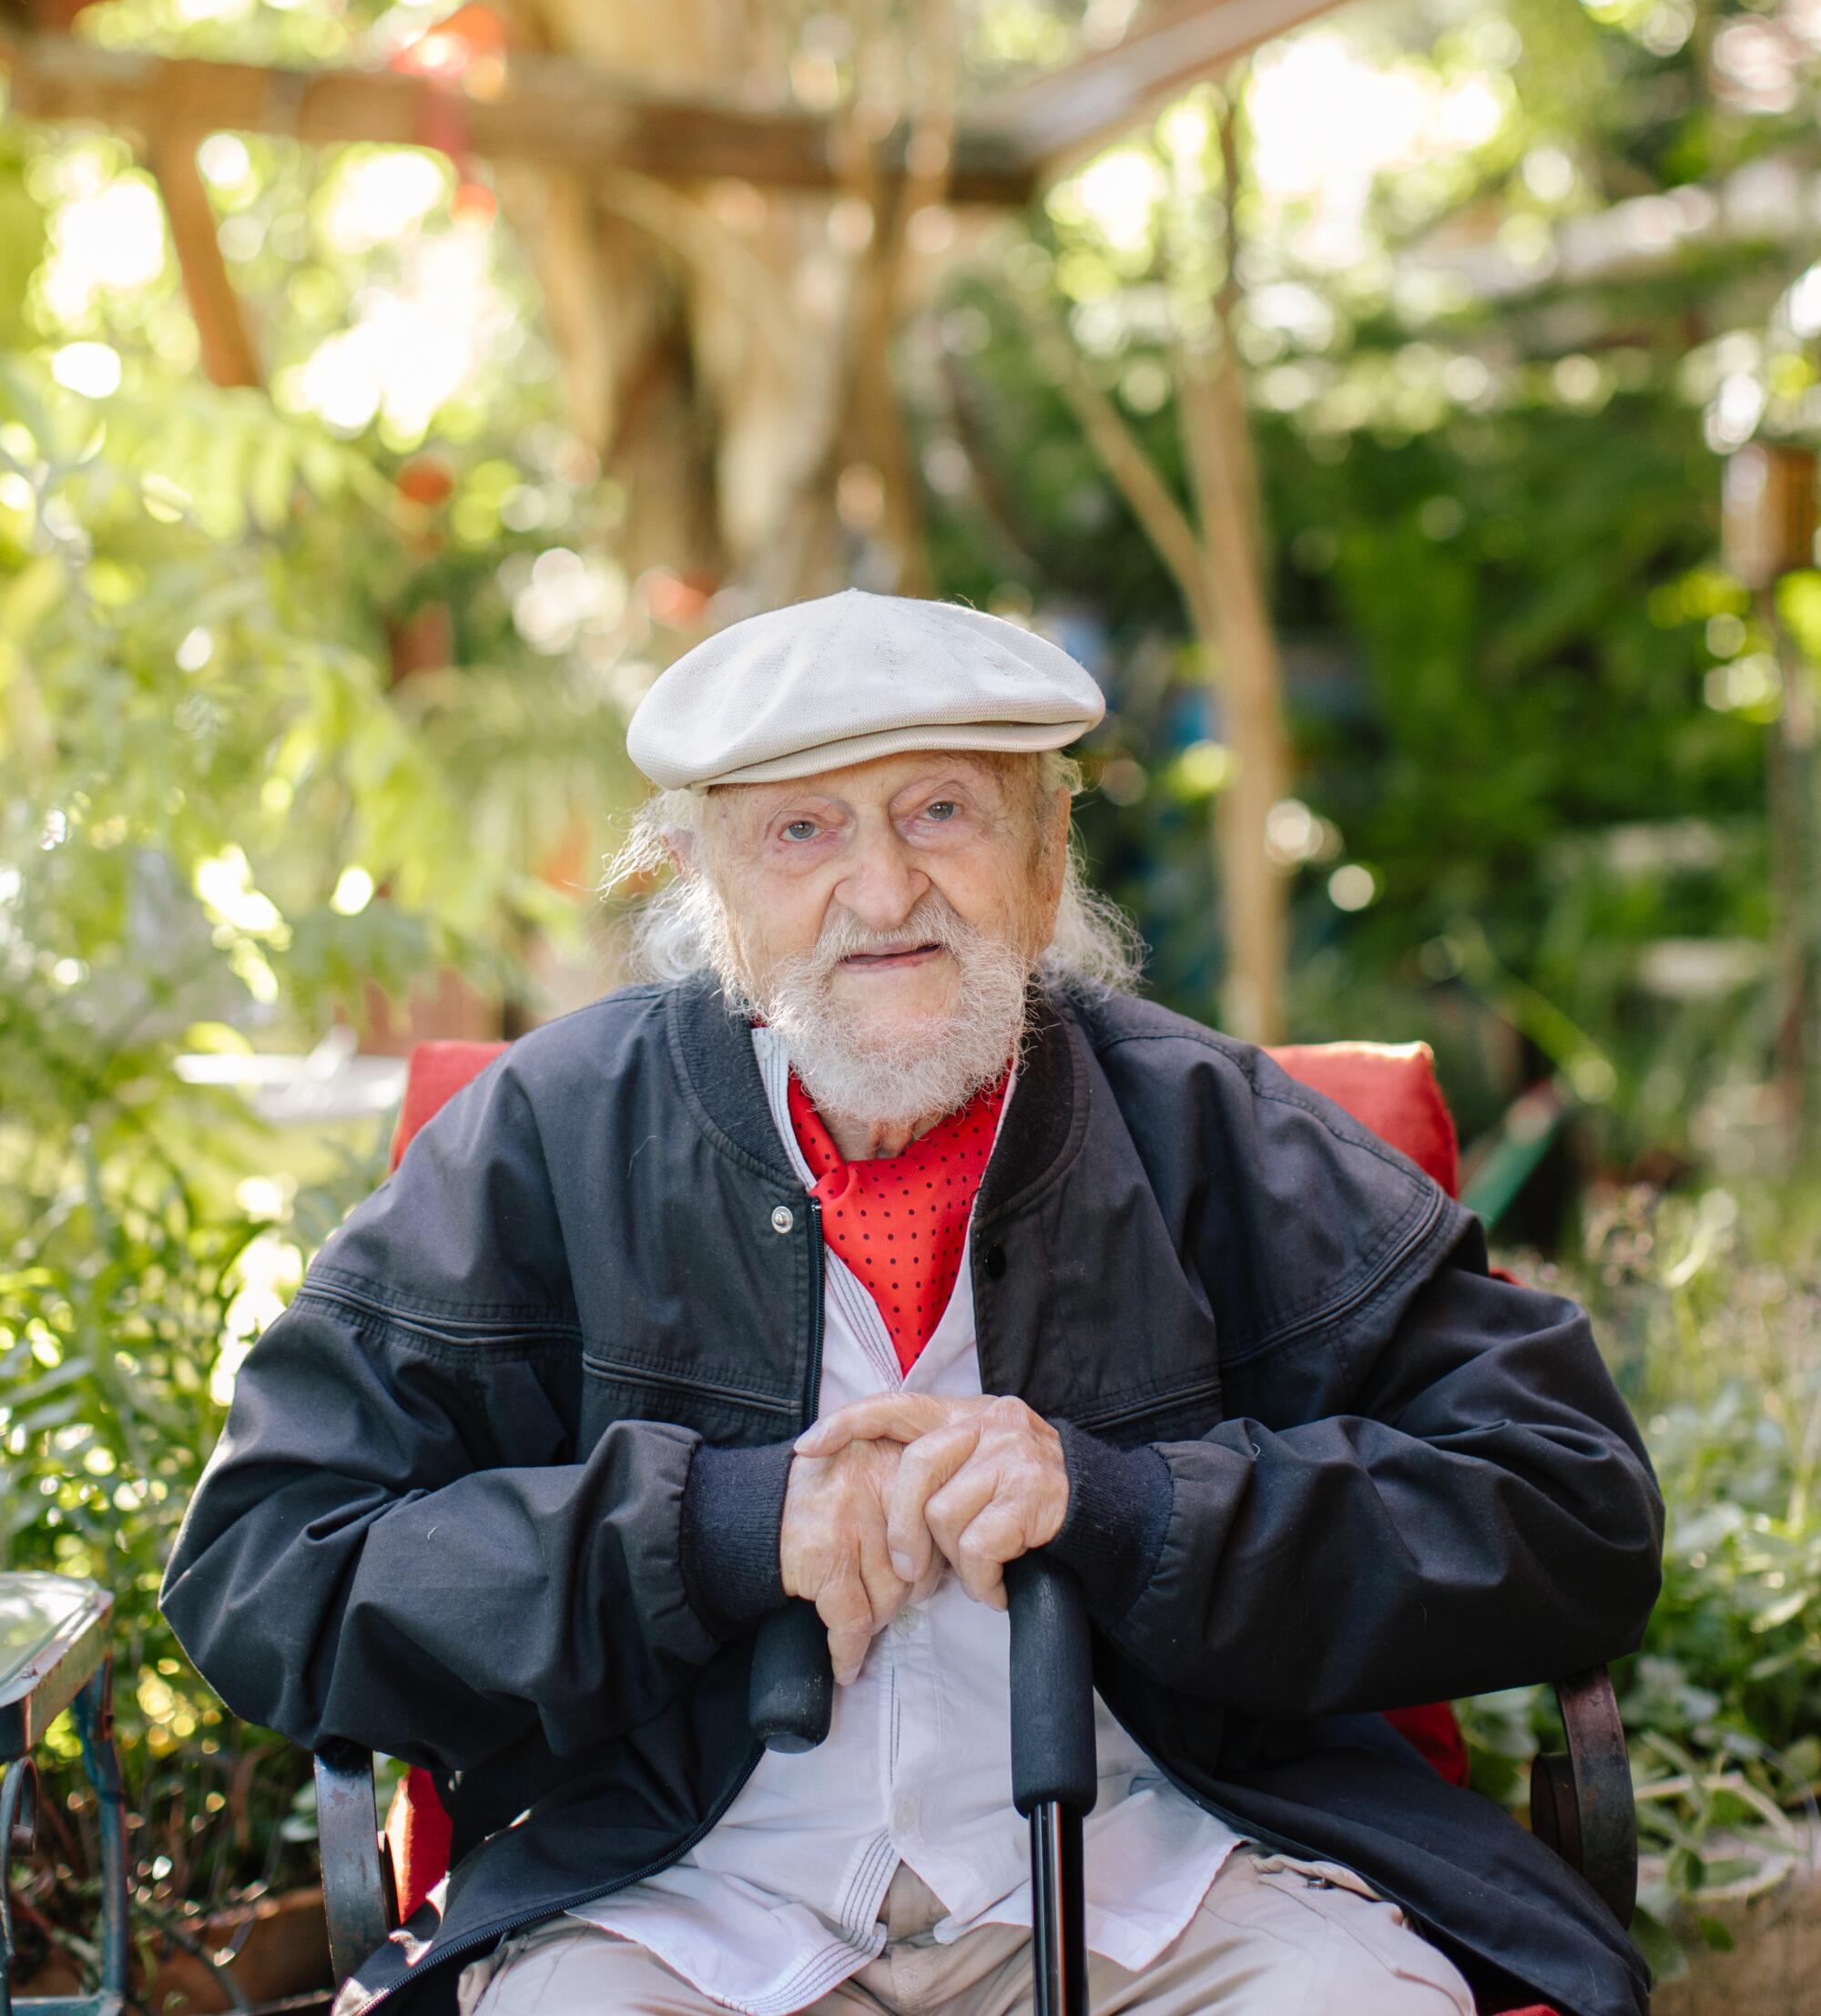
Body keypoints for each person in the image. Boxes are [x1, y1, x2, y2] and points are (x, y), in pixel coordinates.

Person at [162, 592, 1662, 2016]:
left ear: (1047, 848)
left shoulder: (1217, 1129)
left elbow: (1570, 1505)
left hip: (1176, 1877)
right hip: (677, 1898)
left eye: (940, 810)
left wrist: (1133, 1509)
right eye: (803, 830)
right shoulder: (546, 1137)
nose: (882, 891)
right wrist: (714, 1533)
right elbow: (267, 1569)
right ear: (704, 879)